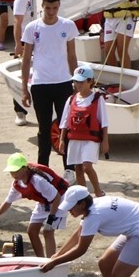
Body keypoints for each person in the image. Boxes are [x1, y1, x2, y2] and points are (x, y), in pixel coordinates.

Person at [20, 0, 77, 172]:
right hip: (40, 84)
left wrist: (76, 82)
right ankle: (43, 170)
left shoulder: (67, 26)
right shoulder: (32, 28)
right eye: (48, 8)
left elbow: (72, 55)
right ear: (42, 6)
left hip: (63, 83)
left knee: (65, 127)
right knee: (44, 129)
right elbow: (26, 59)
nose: (51, 12)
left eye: (55, 8)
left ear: (59, 6)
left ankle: (69, 169)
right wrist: (24, 88)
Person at [0, 152, 70, 257]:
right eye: (11, 171)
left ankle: (50, 262)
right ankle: (40, 260)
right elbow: (8, 201)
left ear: (24, 168)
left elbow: (56, 197)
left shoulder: (37, 180)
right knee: (32, 231)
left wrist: (51, 217)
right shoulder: (17, 183)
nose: (14, 174)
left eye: (16, 170)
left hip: (60, 199)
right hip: (45, 202)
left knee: (47, 231)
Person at [59, 64, 109, 198]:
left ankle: (98, 192)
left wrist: (105, 140)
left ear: (90, 81)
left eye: (81, 82)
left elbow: (104, 122)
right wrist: (62, 140)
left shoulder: (97, 99)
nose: (78, 85)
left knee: (87, 166)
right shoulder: (71, 99)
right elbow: (65, 121)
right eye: (76, 81)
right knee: (78, 168)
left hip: (90, 139)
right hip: (75, 138)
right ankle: (84, 196)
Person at [102, 0, 139, 70]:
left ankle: (126, 76)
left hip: (127, 15)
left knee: (122, 49)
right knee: (108, 51)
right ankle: (115, 74)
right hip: (109, 16)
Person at [11, 0, 33, 126]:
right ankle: (20, 111)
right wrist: (18, 44)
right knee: (21, 76)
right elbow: (17, 22)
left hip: (42, 40)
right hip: (26, 41)